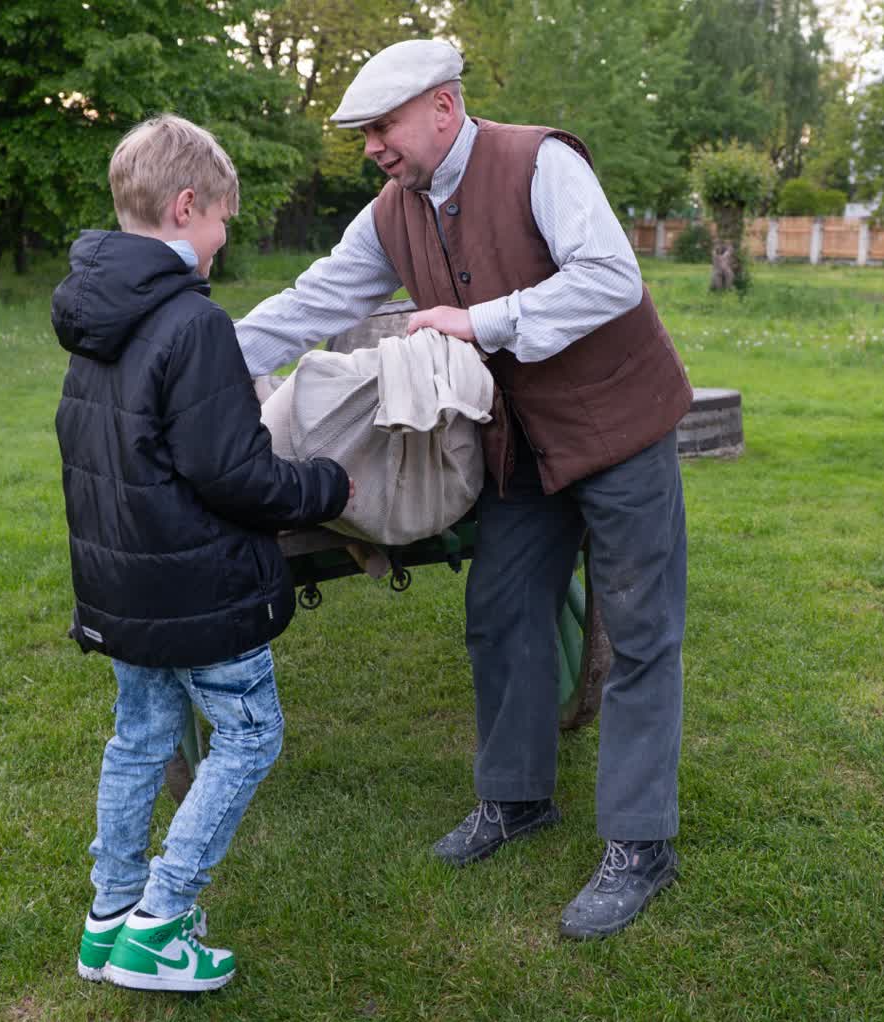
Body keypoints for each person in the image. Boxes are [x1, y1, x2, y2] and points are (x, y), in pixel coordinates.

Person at [234, 39, 693, 940]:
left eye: (384, 127)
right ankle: (517, 800)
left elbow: (611, 277)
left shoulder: (539, 162)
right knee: (502, 612)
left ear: (444, 107)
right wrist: (199, 355)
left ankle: (641, 844)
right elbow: (316, 301)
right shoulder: (391, 212)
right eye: (365, 134)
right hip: (520, 445)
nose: (373, 147)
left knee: (642, 632)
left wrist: (481, 322)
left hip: (620, 426)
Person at [52, 114, 351, 991]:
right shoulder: (192, 322)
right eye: (223, 217)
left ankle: (109, 915)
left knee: (139, 737)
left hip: (122, 580)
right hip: (196, 581)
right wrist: (325, 486)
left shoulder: (97, 318)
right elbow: (237, 475)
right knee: (251, 734)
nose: (224, 237)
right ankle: (162, 919)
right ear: (187, 207)